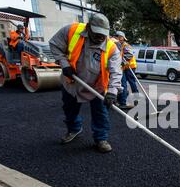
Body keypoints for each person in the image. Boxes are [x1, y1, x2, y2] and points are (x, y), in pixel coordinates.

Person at [49, 13, 122, 153]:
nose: (100, 37)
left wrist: (112, 92)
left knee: (100, 113)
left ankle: (101, 138)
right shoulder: (71, 31)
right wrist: (64, 64)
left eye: (103, 34)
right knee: (69, 109)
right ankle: (74, 129)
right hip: (72, 82)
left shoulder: (112, 48)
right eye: (97, 34)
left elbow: (116, 72)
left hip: (97, 86)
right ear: (88, 27)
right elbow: (55, 45)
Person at [115, 31, 139, 109]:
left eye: (119, 37)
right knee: (123, 84)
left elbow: (129, 55)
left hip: (130, 67)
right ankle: (123, 102)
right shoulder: (118, 45)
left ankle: (136, 100)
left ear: (121, 38)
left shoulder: (126, 46)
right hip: (124, 67)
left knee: (132, 83)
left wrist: (121, 61)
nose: (117, 39)